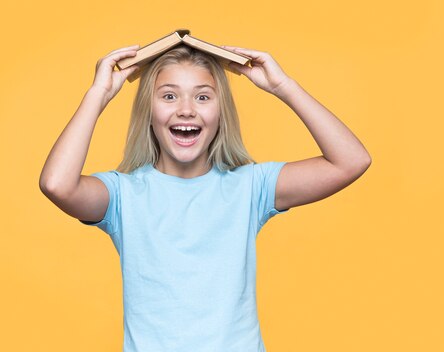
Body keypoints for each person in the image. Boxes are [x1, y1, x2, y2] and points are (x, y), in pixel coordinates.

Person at [39, 43, 371, 351]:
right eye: (169, 96)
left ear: (220, 112)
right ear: (148, 112)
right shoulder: (123, 195)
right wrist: (97, 94)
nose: (186, 110)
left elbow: (351, 160)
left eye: (202, 97)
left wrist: (282, 86)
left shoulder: (251, 187)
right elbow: (57, 185)